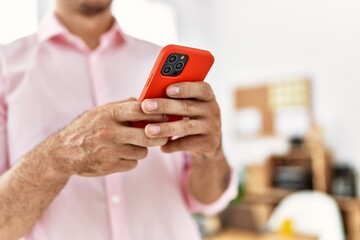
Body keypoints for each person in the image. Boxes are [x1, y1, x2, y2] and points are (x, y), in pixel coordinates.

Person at [0, 0, 237, 239]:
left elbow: (208, 200)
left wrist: (212, 153)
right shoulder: (5, 67)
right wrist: (58, 157)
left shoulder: (157, 59)